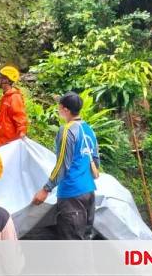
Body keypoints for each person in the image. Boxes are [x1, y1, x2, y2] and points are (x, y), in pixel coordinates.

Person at [32, 91, 100, 240]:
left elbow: (63, 163)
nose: (58, 109)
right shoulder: (88, 129)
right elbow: (95, 161)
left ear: (66, 110)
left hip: (72, 194)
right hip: (88, 192)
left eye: (59, 106)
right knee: (85, 239)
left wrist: (46, 189)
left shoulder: (67, 130)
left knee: (72, 244)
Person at [0, 66, 28, 148]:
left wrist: (22, 133)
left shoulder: (14, 97)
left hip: (8, 142)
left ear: (6, 80)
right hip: (2, 139)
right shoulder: (6, 96)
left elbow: (20, 117)